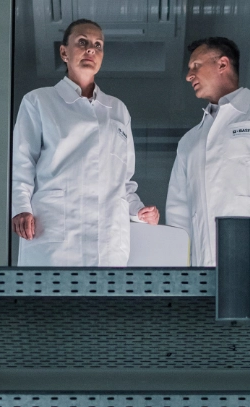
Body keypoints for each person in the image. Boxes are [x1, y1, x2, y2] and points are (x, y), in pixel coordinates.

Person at [12, 19, 159, 266]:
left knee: (103, 304)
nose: (91, 49)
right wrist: (20, 207)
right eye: (82, 42)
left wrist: (140, 211)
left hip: (108, 240)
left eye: (98, 45)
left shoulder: (118, 110)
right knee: (49, 302)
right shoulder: (39, 101)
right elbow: (22, 163)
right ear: (64, 52)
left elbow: (123, 180)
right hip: (54, 231)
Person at [166, 37, 250, 267]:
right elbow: (178, 210)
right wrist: (180, 268)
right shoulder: (189, 142)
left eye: (196, 66)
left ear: (222, 64)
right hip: (205, 266)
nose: (188, 75)